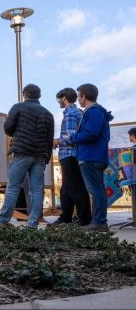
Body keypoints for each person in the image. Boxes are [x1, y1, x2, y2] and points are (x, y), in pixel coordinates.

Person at [0, 84, 54, 229]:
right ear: (39, 95)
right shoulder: (48, 114)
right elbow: (50, 139)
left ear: (25, 95)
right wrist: (45, 158)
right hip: (40, 155)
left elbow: (8, 128)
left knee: (13, 187)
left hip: (22, 152)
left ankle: (3, 220)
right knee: (36, 189)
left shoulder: (18, 107)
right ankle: (33, 223)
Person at [61, 83, 113, 232]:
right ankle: (99, 220)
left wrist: (73, 137)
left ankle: (99, 222)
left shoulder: (93, 112)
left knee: (96, 191)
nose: (78, 99)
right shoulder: (95, 112)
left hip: (91, 156)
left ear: (84, 96)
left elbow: (91, 133)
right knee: (98, 190)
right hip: (95, 156)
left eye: (79, 96)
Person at [50, 87, 90, 226]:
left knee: (75, 188)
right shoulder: (76, 112)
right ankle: (66, 217)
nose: (58, 102)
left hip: (69, 155)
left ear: (64, 98)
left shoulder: (70, 114)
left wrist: (56, 141)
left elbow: (71, 137)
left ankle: (84, 219)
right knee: (66, 190)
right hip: (71, 155)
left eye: (59, 99)